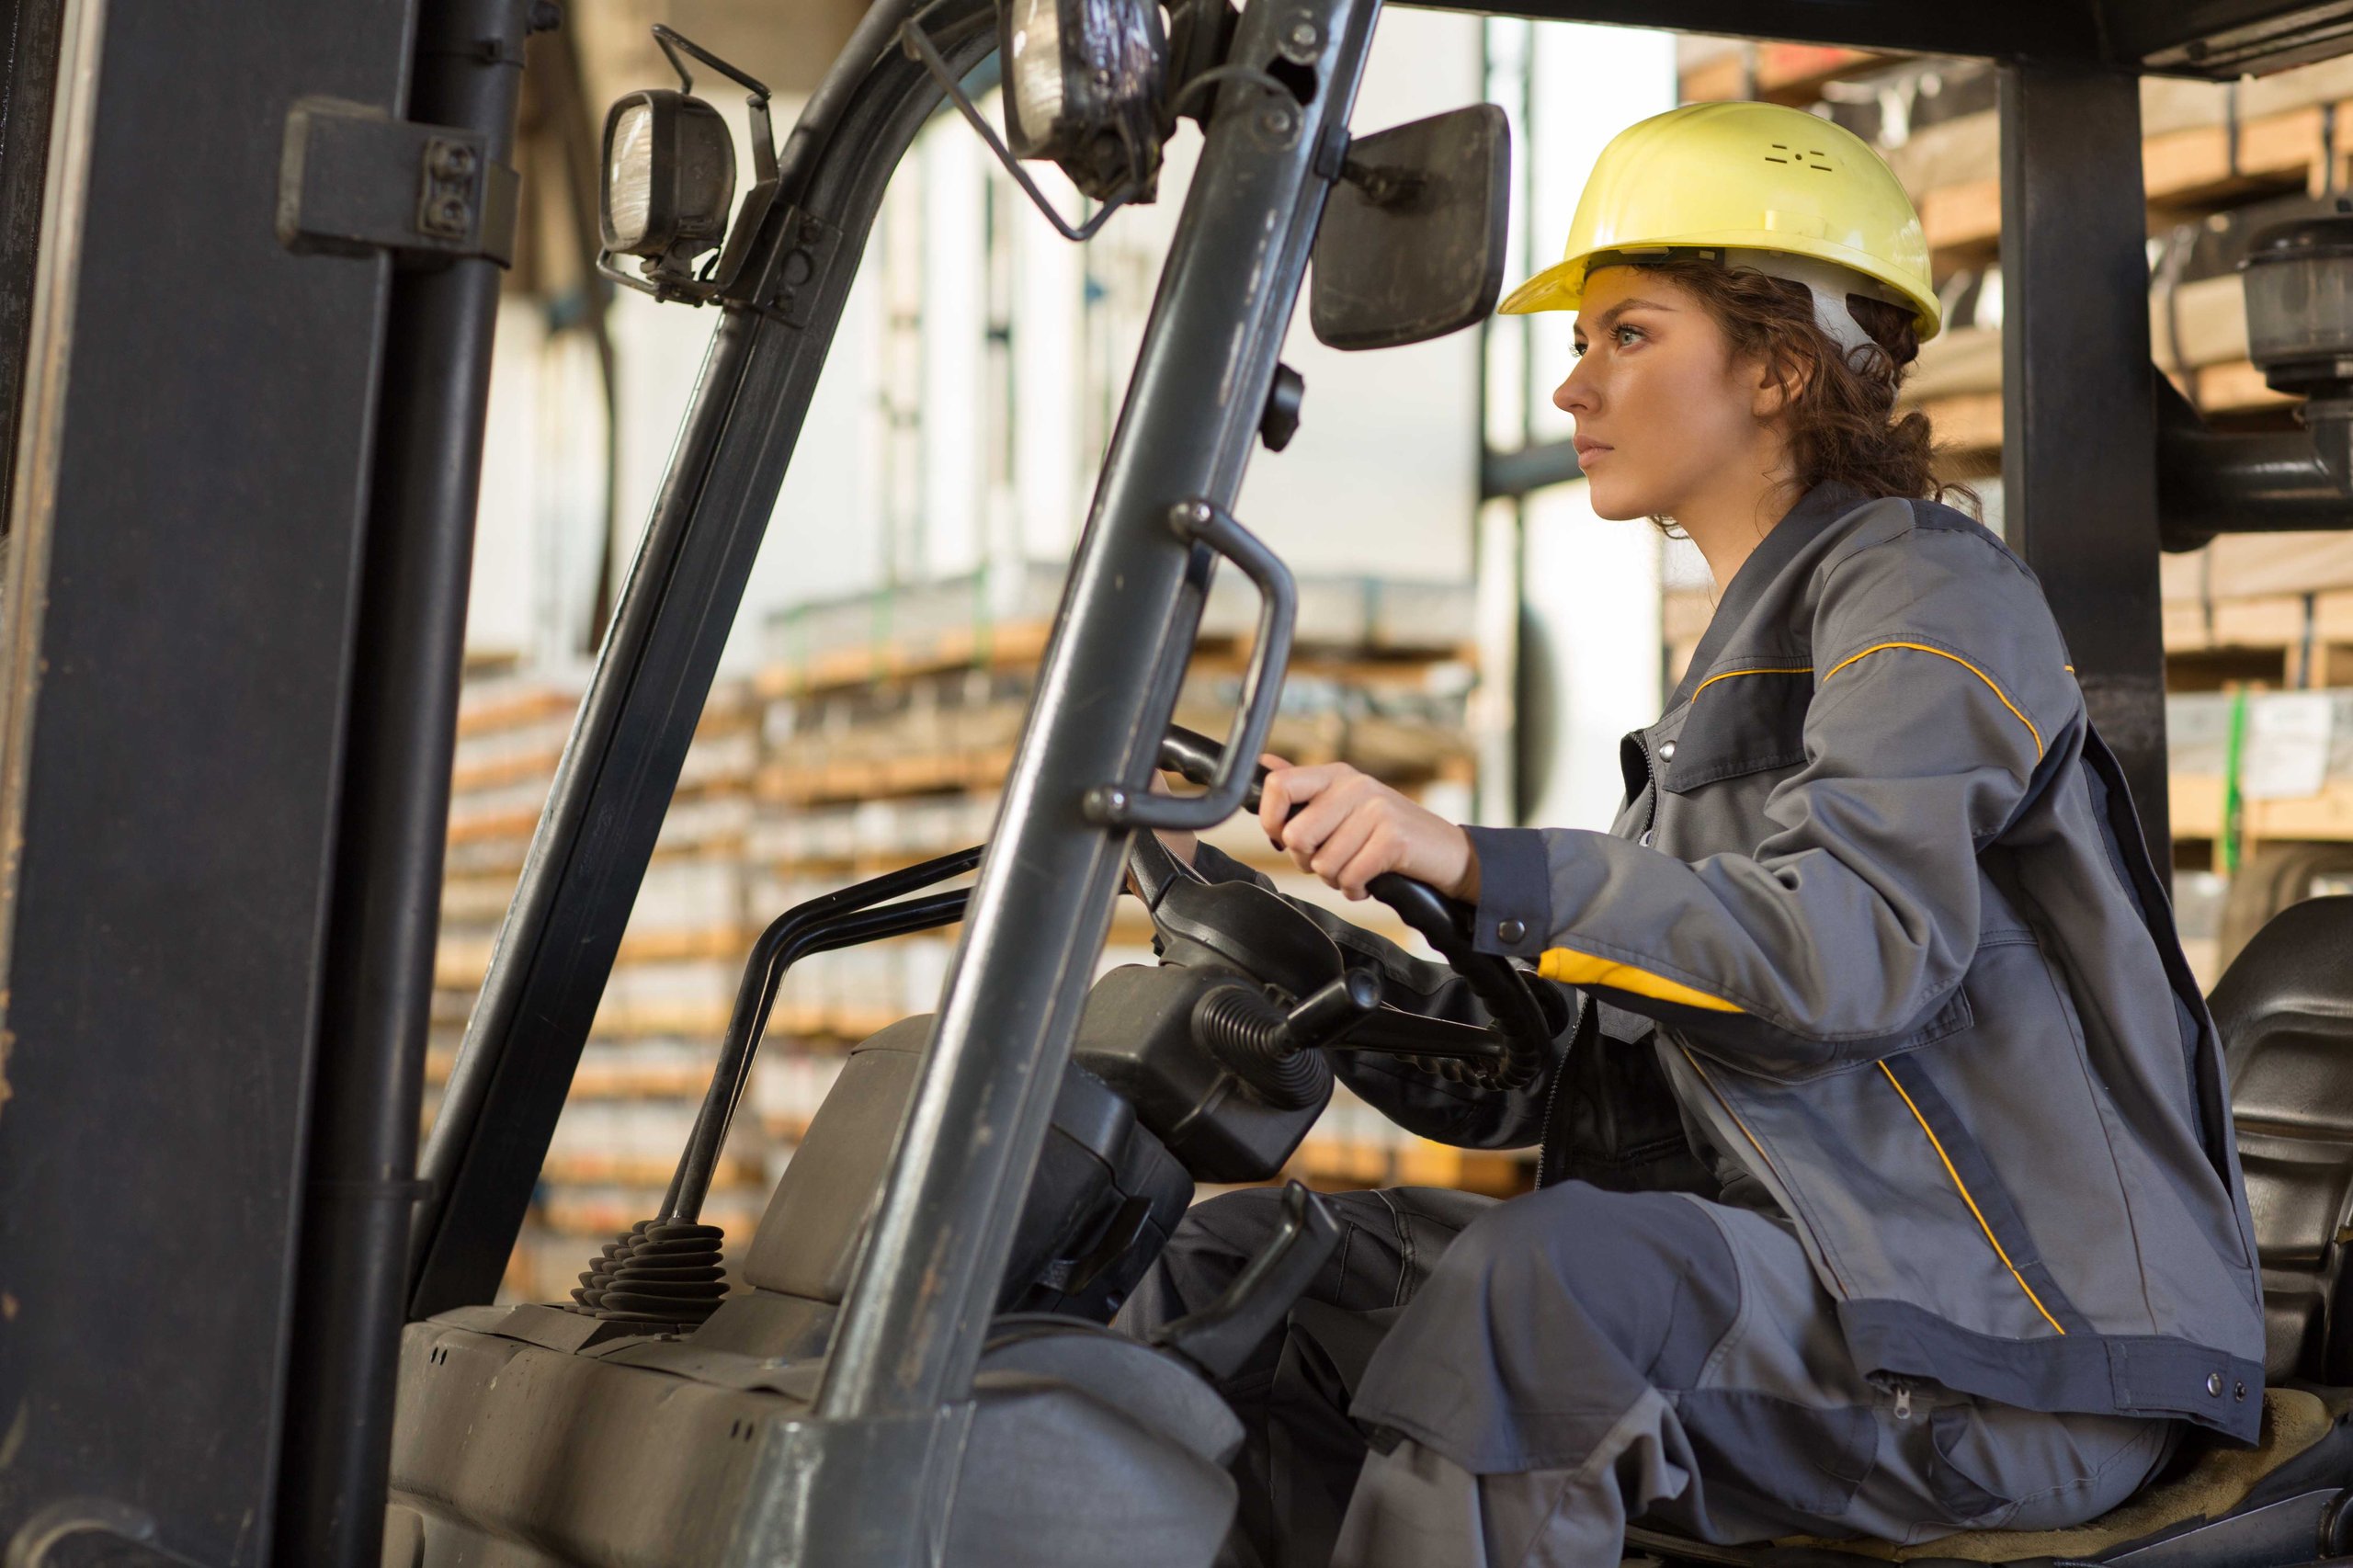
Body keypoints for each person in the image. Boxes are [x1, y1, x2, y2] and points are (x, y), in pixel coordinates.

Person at [1115, 100, 2266, 1568]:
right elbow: (1575, 1070)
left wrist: (1483, 858)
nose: (1572, 385)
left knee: (1554, 1289)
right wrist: (1323, 975)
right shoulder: (1738, 659)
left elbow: (1852, 956)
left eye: (1628, 335)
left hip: (2011, 1351)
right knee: (1247, 1266)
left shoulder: (1928, 590)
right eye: (1583, 342)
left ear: (1780, 364)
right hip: (1837, 1289)